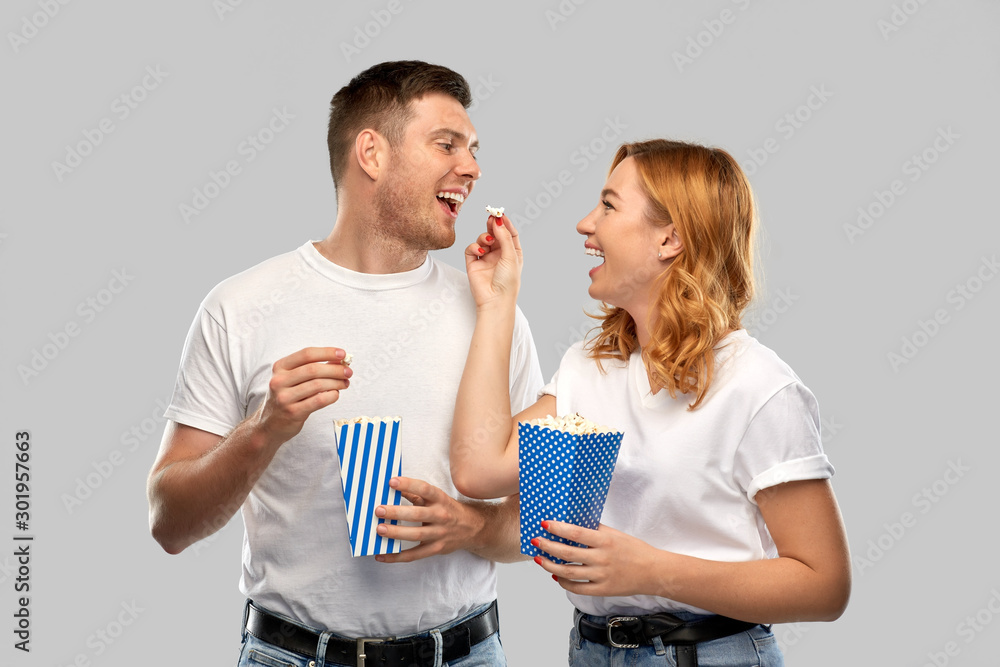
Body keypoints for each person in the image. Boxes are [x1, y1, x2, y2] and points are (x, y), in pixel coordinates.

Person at [146, 60, 544, 667]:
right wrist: (265, 429)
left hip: (466, 653)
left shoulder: (495, 314)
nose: (471, 167)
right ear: (371, 153)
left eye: (473, 149)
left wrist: (470, 527)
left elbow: (549, 520)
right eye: (446, 144)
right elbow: (169, 524)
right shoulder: (240, 306)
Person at [450, 139, 851, 666]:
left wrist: (651, 570)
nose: (585, 224)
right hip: (592, 650)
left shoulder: (758, 388)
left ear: (670, 239)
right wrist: (498, 303)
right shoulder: (591, 367)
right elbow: (479, 469)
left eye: (609, 205)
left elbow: (824, 587)